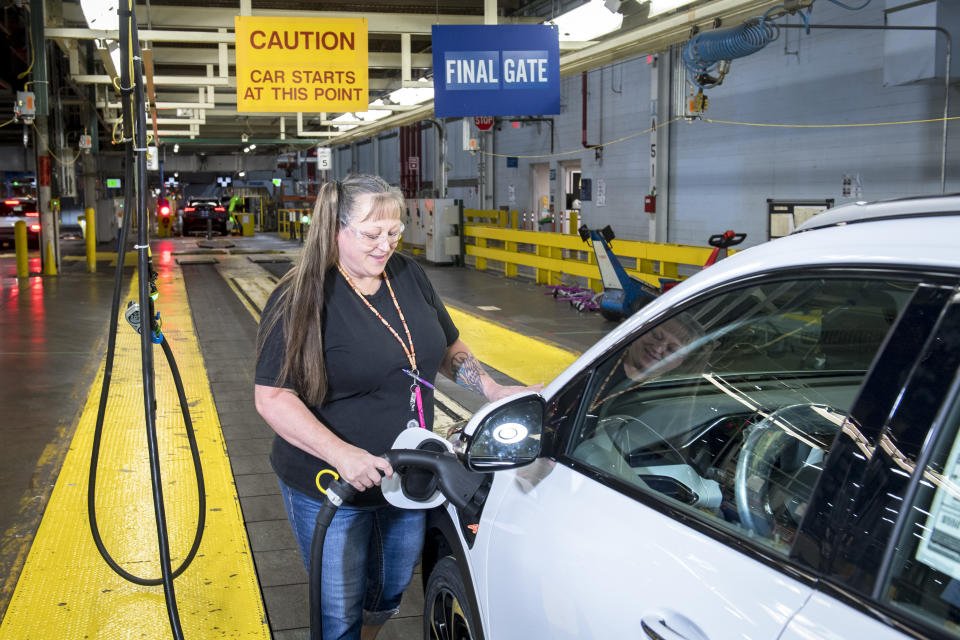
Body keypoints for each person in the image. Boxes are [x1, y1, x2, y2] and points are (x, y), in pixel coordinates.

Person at [254, 174, 536, 640]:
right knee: (337, 607)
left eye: (394, 233)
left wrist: (490, 388)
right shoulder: (301, 296)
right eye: (371, 235)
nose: (385, 245)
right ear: (334, 230)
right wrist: (342, 455)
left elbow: (446, 345)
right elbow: (273, 397)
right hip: (332, 482)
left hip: (408, 473)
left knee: (386, 594)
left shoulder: (408, 274)